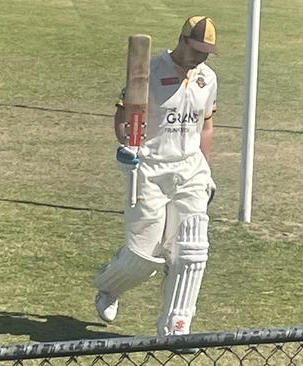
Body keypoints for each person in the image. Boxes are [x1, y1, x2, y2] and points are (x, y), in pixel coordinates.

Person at [93, 15, 219, 340]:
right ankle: (109, 287)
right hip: (149, 169)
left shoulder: (207, 78)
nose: (201, 57)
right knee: (143, 255)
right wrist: (126, 144)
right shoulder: (149, 71)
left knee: (191, 249)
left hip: (190, 170)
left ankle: (176, 326)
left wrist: (207, 172)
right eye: (197, 49)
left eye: (207, 52)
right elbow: (124, 116)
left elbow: (205, 126)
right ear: (182, 39)